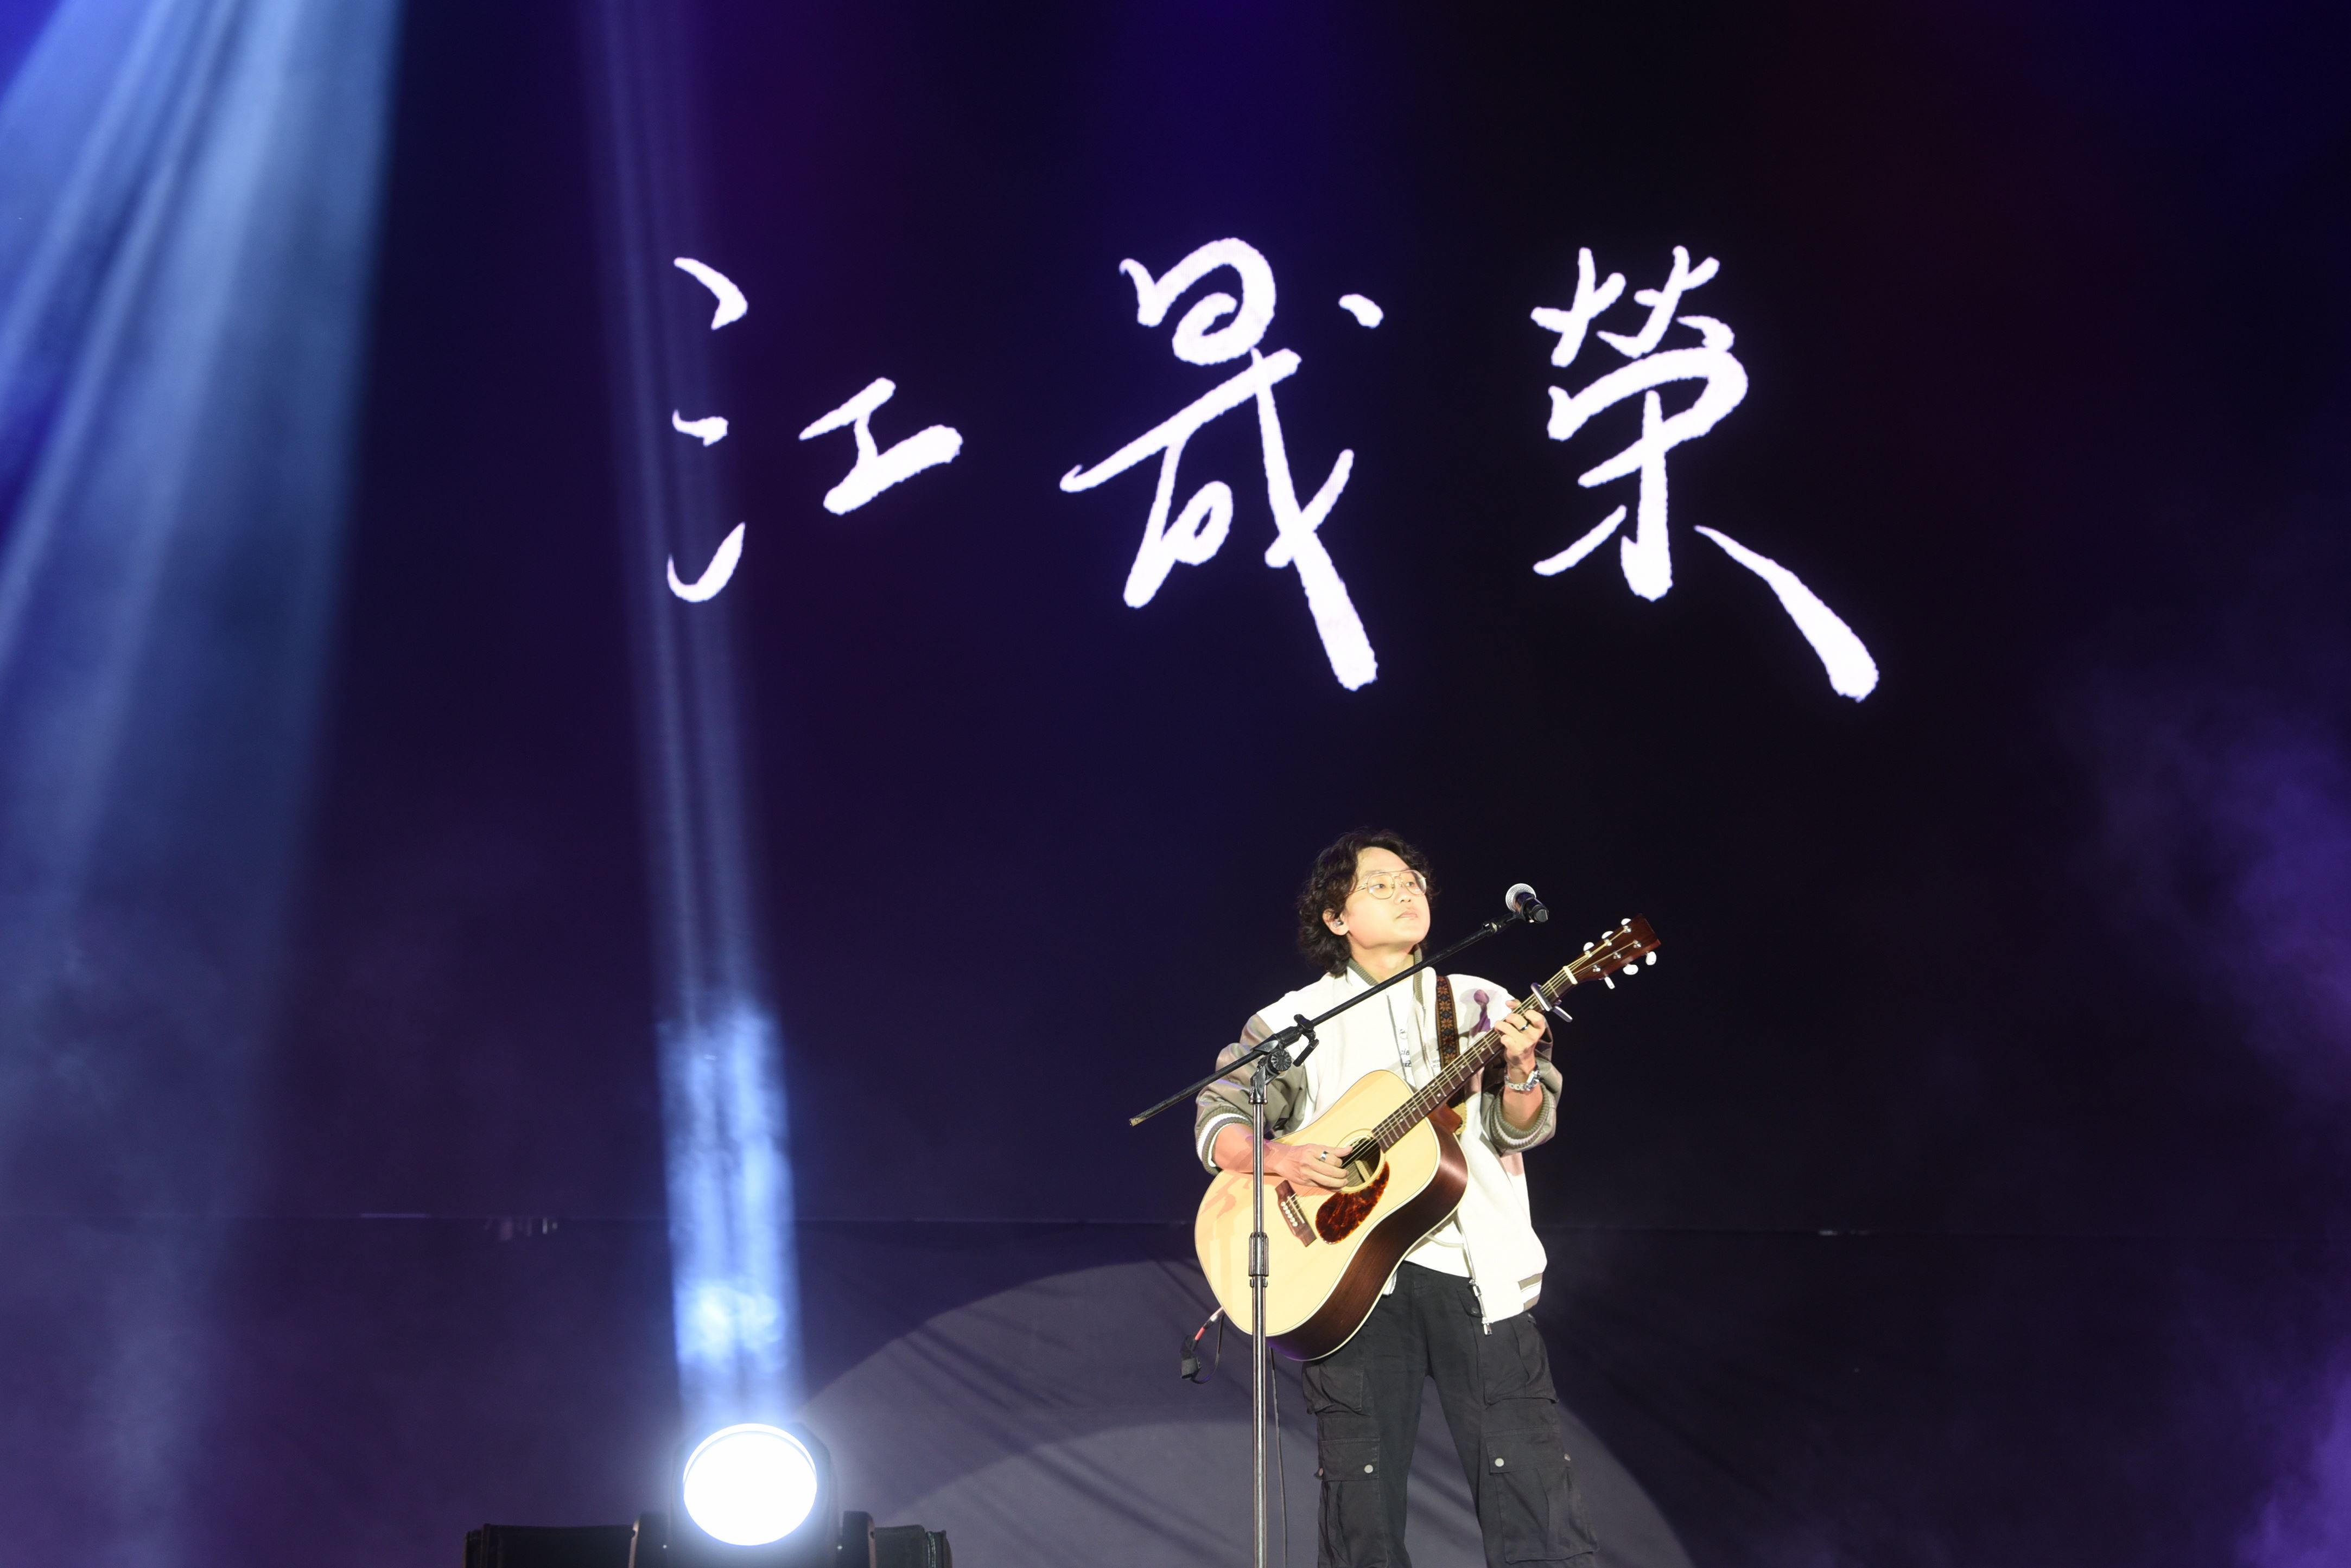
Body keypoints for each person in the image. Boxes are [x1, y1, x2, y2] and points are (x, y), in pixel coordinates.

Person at [1194, 829, 1599, 1568]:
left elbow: (1522, 1127)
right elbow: (1220, 1121)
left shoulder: (1480, 1002)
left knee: (1534, 1499)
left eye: (1414, 880)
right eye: (1381, 884)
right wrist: (1285, 1156)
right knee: (1364, 1519)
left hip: (1479, 1273)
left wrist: (1517, 1068)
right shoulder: (1290, 1022)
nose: (1407, 890)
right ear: (1336, 916)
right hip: (1350, 1285)